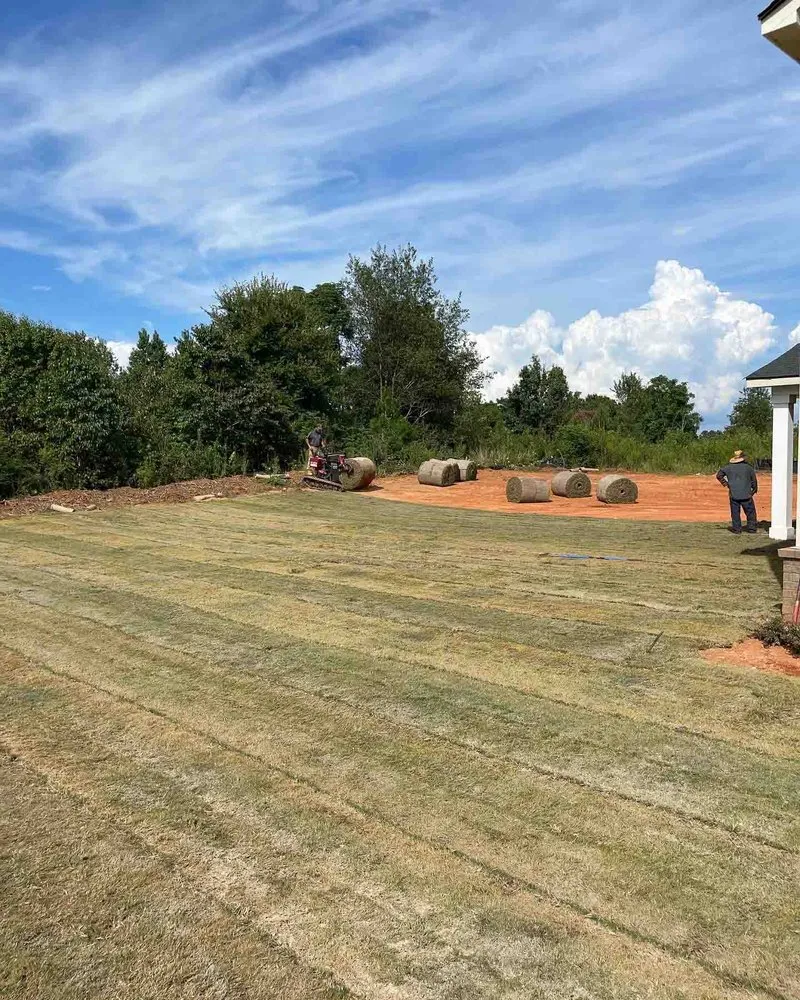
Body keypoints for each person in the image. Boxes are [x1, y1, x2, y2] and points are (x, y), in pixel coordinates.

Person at [716, 450, 758, 534]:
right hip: (746, 493)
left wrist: (726, 484)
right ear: (743, 458)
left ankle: (737, 529)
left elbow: (719, 475)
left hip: (734, 493)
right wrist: (754, 490)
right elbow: (754, 480)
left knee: (735, 512)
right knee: (750, 512)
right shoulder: (748, 467)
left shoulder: (728, 467)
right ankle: (752, 528)